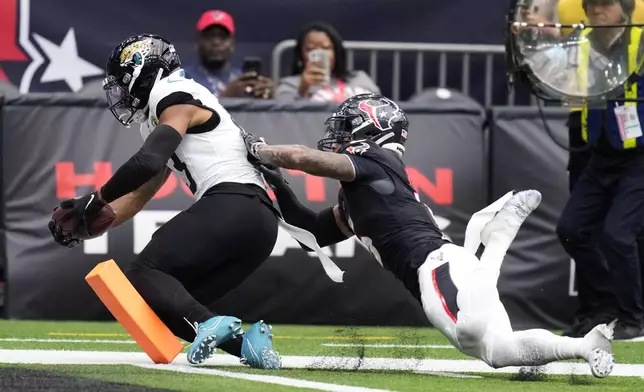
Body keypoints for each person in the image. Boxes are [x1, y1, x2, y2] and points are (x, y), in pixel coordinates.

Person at [240, 93, 616, 377]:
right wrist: (275, 183)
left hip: (435, 266)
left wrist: (261, 151)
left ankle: (499, 237)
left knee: (470, 332)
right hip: (450, 270)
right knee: (497, 352)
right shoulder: (356, 197)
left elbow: (308, 159)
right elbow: (312, 231)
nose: (335, 135)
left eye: (345, 125)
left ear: (369, 128)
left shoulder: (375, 160)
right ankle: (585, 346)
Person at [47, 34, 281, 369]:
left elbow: (148, 162)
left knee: (143, 272)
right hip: (259, 224)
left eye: (124, 83)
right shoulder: (164, 113)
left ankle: (211, 324)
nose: (122, 95)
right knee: (166, 306)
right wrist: (97, 220)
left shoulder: (172, 93)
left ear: (145, 71)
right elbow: (142, 191)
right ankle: (250, 347)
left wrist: (95, 198)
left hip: (233, 202)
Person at [555, 0, 644, 340]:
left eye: (605, 5)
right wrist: (529, 43)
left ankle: (633, 318)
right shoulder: (579, 44)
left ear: (626, 8)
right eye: (591, 5)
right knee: (571, 229)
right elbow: (545, 74)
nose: (596, 11)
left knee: (618, 234)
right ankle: (606, 306)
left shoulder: (640, 41)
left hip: (639, 157)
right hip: (600, 155)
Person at [275, 22, 380, 102]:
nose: (319, 53)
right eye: (310, 49)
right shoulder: (289, 86)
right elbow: (284, 118)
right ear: (301, 55)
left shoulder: (359, 78)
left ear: (336, 52)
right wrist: (302, 89)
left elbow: (381, 110)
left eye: (326, 48)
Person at [183, 10, 274, 99]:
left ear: (232, 44)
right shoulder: (183, 79)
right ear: (198, 42)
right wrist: (227, 98)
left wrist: (269, 97)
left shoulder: (242, 79)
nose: (216, 42)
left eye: (222, 36)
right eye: (209, 36)